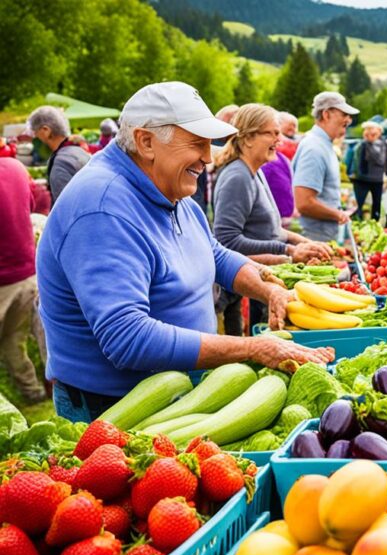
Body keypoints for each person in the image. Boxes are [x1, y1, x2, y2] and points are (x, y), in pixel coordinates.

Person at [35, 81, 332, 422]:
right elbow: (128, 338)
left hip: (174, 396)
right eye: (196, 143)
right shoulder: (102, 208)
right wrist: (251, 348)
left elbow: (214, 253)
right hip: (113, 410)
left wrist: (268, 289)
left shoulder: (166, 188)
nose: (208, 157)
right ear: (146, 142)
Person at [212, 104, 332, 335]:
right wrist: (288, 251)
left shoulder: (254, 171)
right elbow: (226, 242)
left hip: (252, 285)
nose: (280, 140)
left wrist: (302, 243)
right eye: (272, 133)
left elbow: (271, 229)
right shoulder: (237, 176)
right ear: (247, 138)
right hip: (230, 293)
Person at [0, 159, 47, 404]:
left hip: (4, 281)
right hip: (29, 273)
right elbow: (28, 207)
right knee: (13, 339)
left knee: (12, 339)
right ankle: (35, 392)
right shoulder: (16, 168)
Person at [293, 91, 360, 242]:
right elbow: (304, 203)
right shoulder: (314, 148)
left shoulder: (323, 144)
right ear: (326, 115)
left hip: (322, 234)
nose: (348, 120)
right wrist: (338, 214)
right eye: (343, 114)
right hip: (313, 237)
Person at [26, 105, 91, 203]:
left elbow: (64, 208)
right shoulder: (79, 151)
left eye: (36, 133)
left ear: (45, 130)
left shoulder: (61, 164)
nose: (35, 138)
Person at [350, 121, 387, 221]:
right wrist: (367, 142)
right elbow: (358, 162)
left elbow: (383, 161)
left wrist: (386, 175)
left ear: (380, 132)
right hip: (362, 179)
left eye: (373, 131)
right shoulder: (362, 145)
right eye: (368, 130)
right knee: (358, 206)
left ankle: (374, 227)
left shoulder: (383, 145)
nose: (371, 133)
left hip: (377, 179)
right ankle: (356, 224)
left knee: (376, 207)